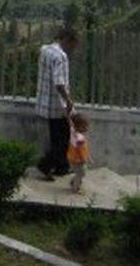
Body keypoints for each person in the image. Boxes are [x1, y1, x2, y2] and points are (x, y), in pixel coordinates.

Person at [35, 26, 77, 180]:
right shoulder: (61, 57)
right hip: (57, 105)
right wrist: (68, 100)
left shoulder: (45, 50)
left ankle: (62, 167)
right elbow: (59, 83)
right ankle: (45, 165)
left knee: (55, 136)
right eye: (72, 45)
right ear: (67, 40)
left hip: (45, 102)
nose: (72, 50)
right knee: (63, 140)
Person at [67, 113, 92, 193]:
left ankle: (73, 182)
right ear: (78, 126)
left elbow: (71, 123)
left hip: (72, 158)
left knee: (79, 173)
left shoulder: (73, 132)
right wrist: (85, 159)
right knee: (81, 173)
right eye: (84, 126)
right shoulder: (79, 138)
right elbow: (81, 150)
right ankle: (76, 187)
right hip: (78, 160)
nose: (87, 128)